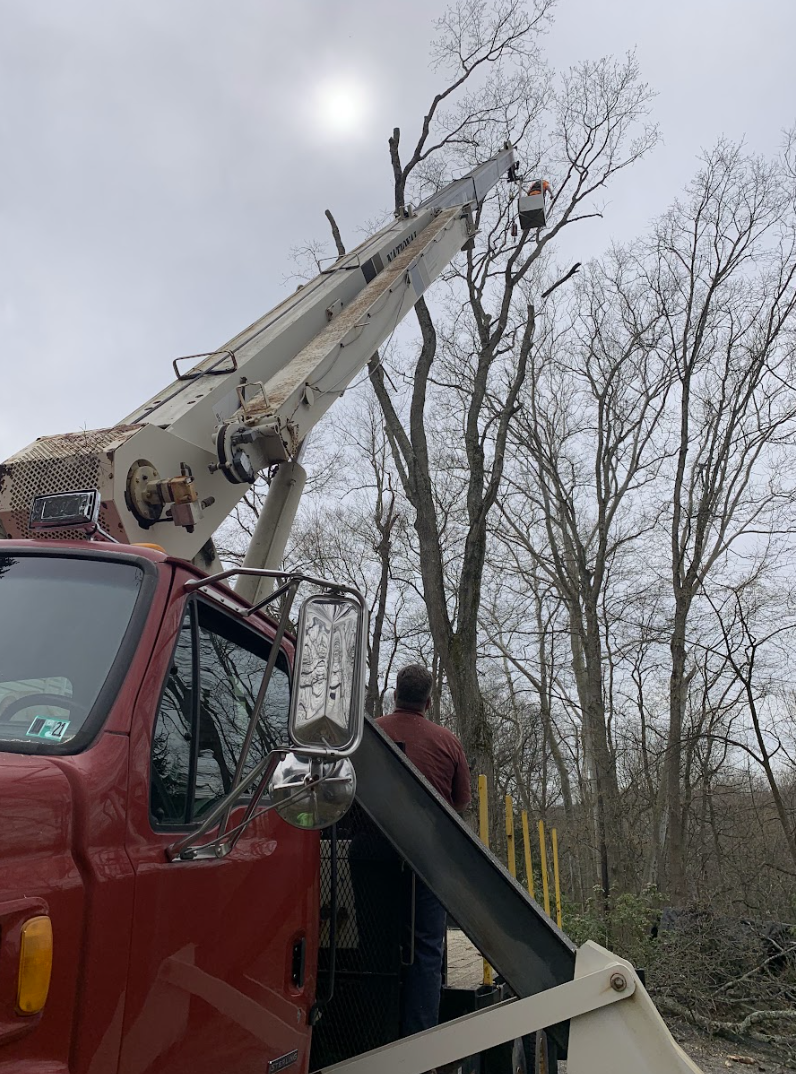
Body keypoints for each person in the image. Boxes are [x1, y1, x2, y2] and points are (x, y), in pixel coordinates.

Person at [376, 664, 471, 1037]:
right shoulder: (448, 742)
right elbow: (461, 804)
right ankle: (420, 1042)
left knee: (373, 944)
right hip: (429, 859)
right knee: (427, 951)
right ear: (428, 702)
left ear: (394, 695)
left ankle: (374, 1035)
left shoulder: (371, 734)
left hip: (371, 856)